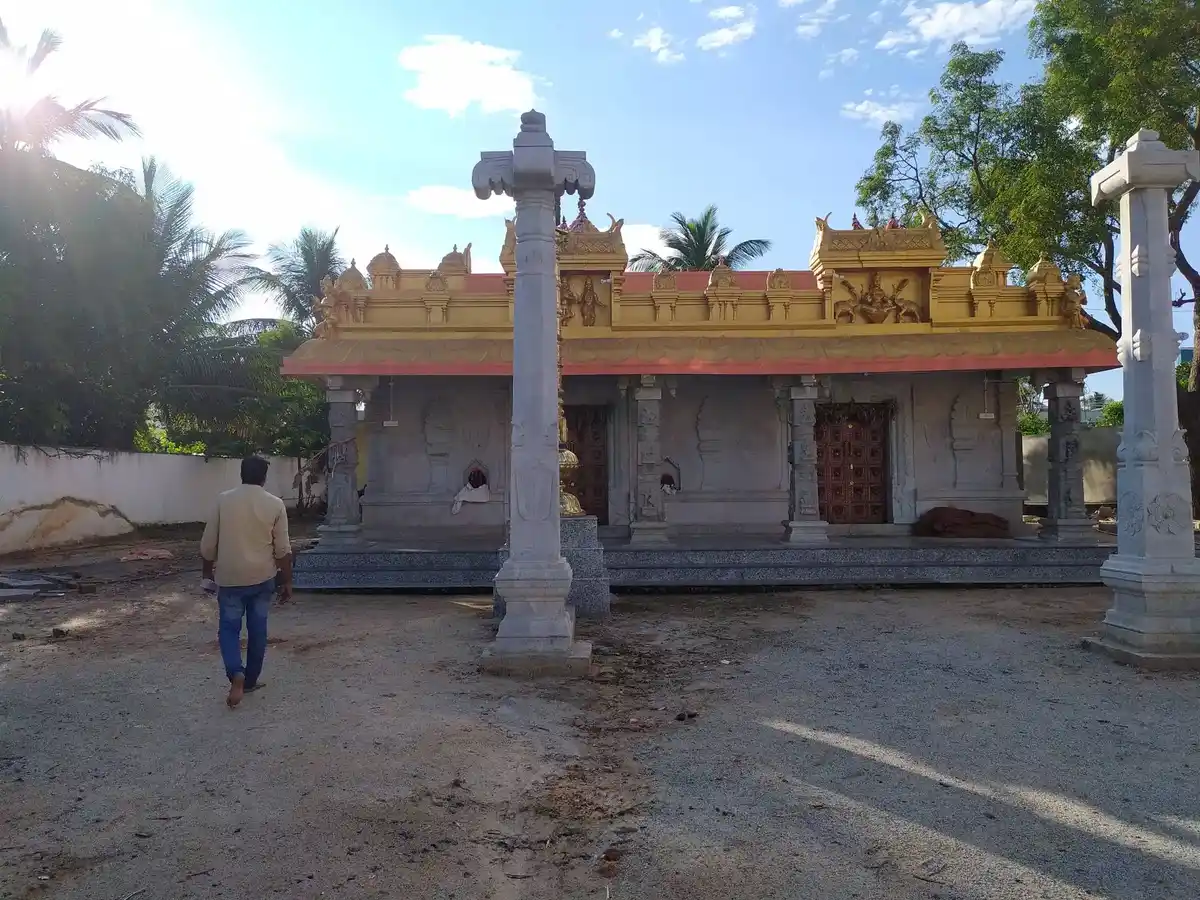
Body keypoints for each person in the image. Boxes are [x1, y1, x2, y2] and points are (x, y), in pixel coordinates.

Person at [200, 456, 293, 708]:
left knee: (229, 629)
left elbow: (208, 545)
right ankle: (250, 680)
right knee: (258, 629)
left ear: (241, 474)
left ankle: (235, 673)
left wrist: (207, 574)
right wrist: (286, 581)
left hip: (230, 579)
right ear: (264, 477)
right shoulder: (275, 505)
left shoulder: (223, 500)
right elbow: (282, 550)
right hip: (263, 578)